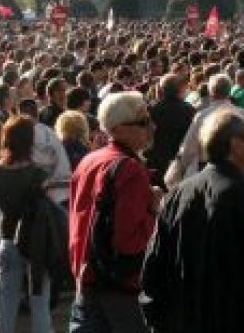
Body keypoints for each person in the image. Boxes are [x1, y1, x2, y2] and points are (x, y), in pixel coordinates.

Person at [142, 109, 244, 333]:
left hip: (184, 317)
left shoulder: (179, 192)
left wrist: (156, 315)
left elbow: (154, 265)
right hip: (235, 319)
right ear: (235, 144)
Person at [69, 91, 160, 333]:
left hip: (86, 274)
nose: (151, 127)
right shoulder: (129, 168)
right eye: (143, 122)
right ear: (119, 129)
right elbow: (129, 241)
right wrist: (153, 209)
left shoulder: (90, 160)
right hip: (116, 284)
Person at [0, 116, 51, 333]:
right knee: (40, 302)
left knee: (6, 303)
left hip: (7, 238)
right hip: (35, 241)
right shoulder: (38, 173)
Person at [165, 74, 244, 188]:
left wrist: (181, 167)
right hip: (239, 172)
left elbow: (188, 148)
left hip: (208, 173)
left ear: (210, 92)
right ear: (229, 90)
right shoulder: (243, 114)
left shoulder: (202, 116)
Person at [145, 74, 194, 187]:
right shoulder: (188, 110)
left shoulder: (152, 110)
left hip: (156, 161)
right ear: (180, 89)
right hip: (177, 163)